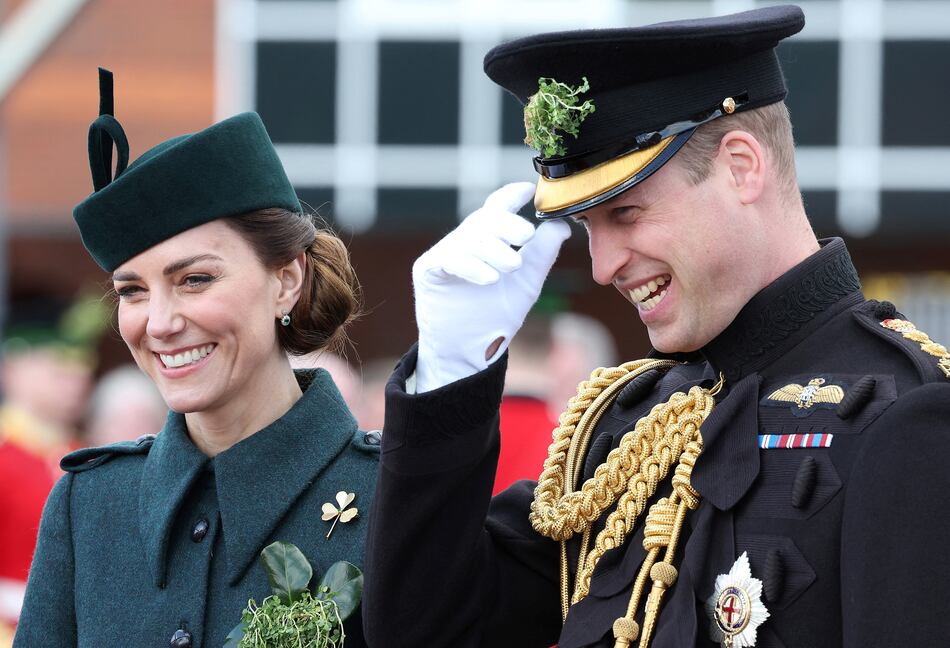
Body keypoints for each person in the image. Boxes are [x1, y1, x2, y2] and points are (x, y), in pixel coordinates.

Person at [363, 6, 950, 648]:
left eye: (627, 213)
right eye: (587, 226)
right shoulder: (626, 430)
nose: (602, 267)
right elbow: (427, 629)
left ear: (741, 166)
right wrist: (452, 368)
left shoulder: (906, 418)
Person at [15, 70, 378, 648]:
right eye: (132, 290)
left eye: (195, 279)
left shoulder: (391, 496)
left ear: (286, 281)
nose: (159, 323)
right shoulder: (89, 505)